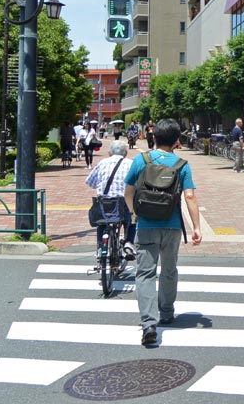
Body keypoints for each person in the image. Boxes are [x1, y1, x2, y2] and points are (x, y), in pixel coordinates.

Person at [123, 119, 202, 347]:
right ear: (177, 141)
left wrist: (134, 213)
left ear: (154, 138)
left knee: (145, 274)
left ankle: (149, 324)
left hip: (146, 226)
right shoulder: (181, 164)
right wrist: (196, 227)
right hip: (172, 225)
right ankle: (166, 312)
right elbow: (189, 196)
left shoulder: (141, 160)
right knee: (169, 270)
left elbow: (128, 191)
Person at [85, 140, 136, 260]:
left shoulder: (102, 163)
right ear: (125, 153)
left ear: (109, 153)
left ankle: (100, 247)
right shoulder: (131, 164)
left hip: (105, 203)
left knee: (102, 222)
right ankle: (129, 242)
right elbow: (137, 185)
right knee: (132, 219)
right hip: (124, 203)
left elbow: (90, 182)